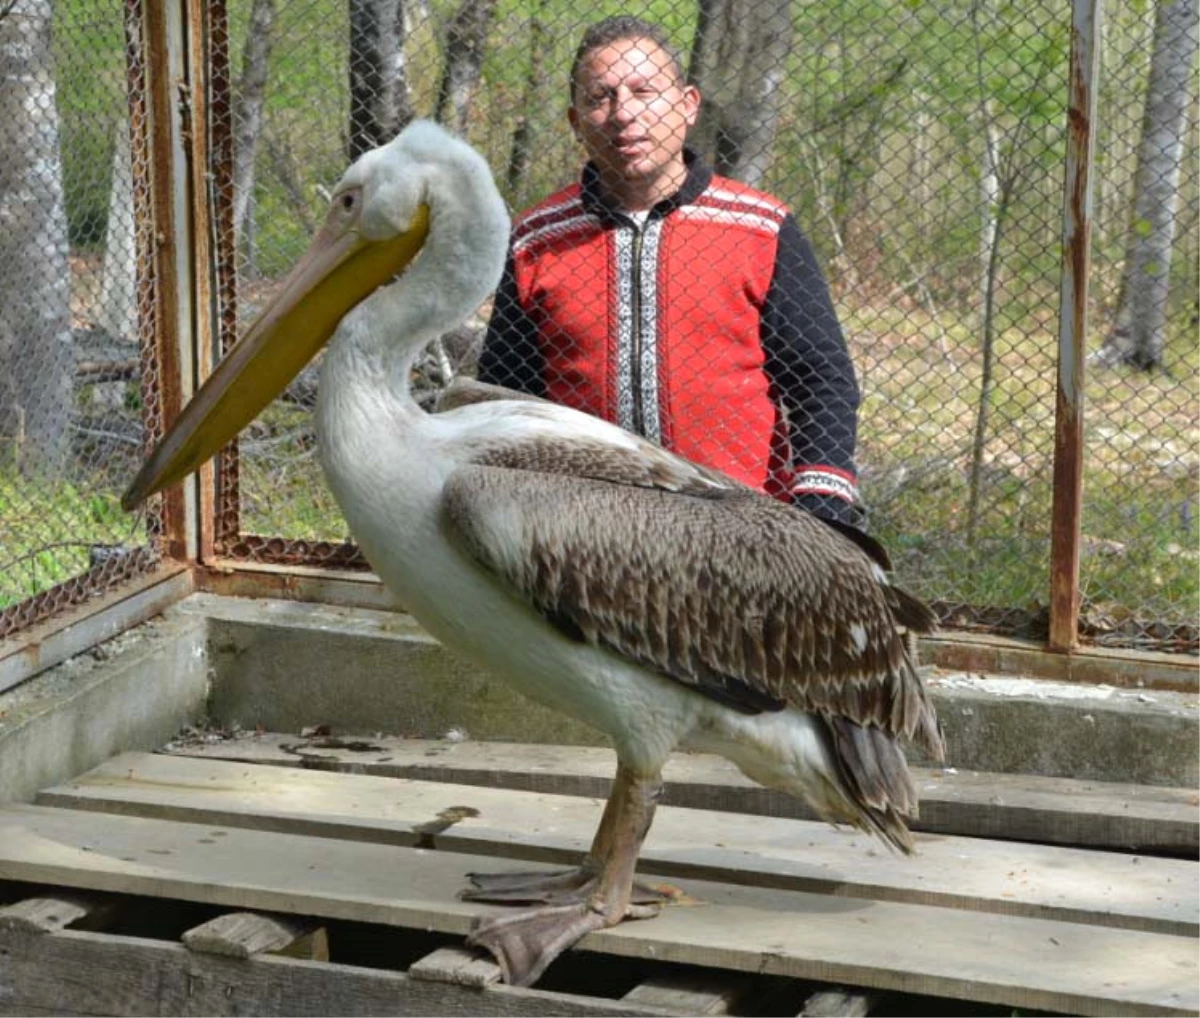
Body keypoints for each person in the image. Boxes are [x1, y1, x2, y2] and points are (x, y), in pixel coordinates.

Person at [478, 15, 864, 530]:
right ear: (575, 121)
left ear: (687, 106)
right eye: (601, 97)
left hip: (741, 522)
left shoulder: (760, 229)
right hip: (582, 530)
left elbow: (821, 376)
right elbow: (507, 392)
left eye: (644, 91)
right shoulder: (535, 240)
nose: (623, 114)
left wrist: (821, 496)